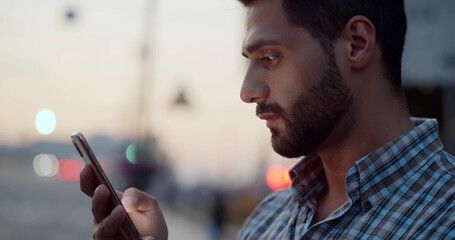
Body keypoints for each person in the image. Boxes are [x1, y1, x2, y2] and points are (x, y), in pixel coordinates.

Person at [80, 0, 455, 239]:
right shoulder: (268, 220)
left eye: (270, 57)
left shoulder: (444, 218)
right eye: (250, 61)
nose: (247, 91)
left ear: (356, 43)